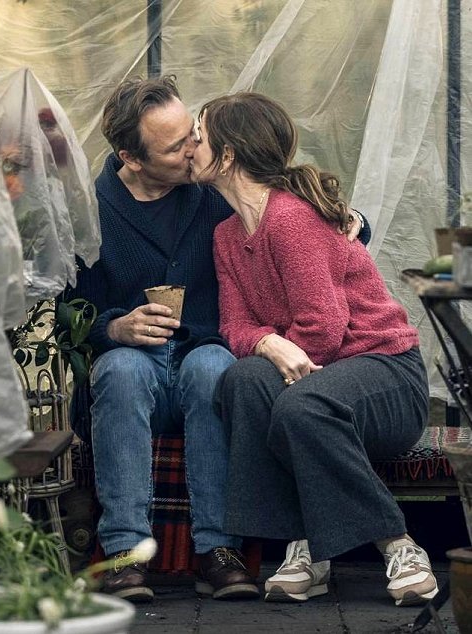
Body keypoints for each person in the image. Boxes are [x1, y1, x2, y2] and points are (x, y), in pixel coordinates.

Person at [67, 76, 369, 604]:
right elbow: (72, 313)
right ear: (130, 158)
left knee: (213, 366)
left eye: (192, 132)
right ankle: (124, 550)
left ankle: (219, 549)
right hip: (133, 368)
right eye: (174, 146)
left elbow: (294, 212)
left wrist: (352, 220)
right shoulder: (90, 211)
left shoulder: (214, 186)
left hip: (206, 351)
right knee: (119, 368)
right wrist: (114, 328)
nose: (193, 148)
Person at [190, 91, 438, 608]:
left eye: (199, 136)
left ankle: (398, 543)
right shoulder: (226, 235)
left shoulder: (290, 219)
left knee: (300, 405)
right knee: (242, 380)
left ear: (228, 154)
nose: (191, 146)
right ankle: (306, 546)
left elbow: (323, 327)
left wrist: (283, 355)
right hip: (318, 378)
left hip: (386, 375)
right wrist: (266, 341)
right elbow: (234, 323)